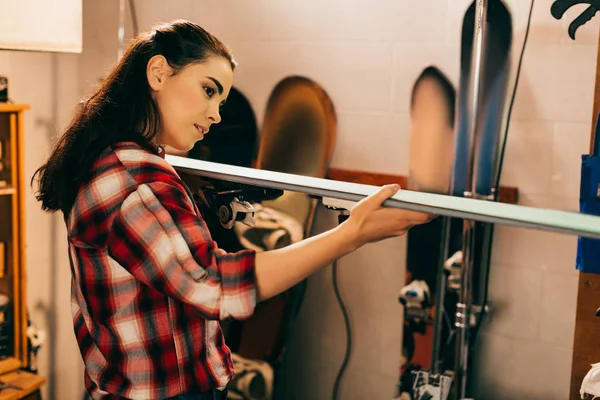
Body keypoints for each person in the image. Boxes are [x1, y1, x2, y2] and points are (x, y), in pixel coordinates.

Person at [31, 20, 433, 400]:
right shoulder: (136, 182)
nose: (217, 115)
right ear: (157, 73)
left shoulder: (122, 158)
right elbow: (214, 285)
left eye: (221, 100)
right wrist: (351, 234)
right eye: (209, 90)